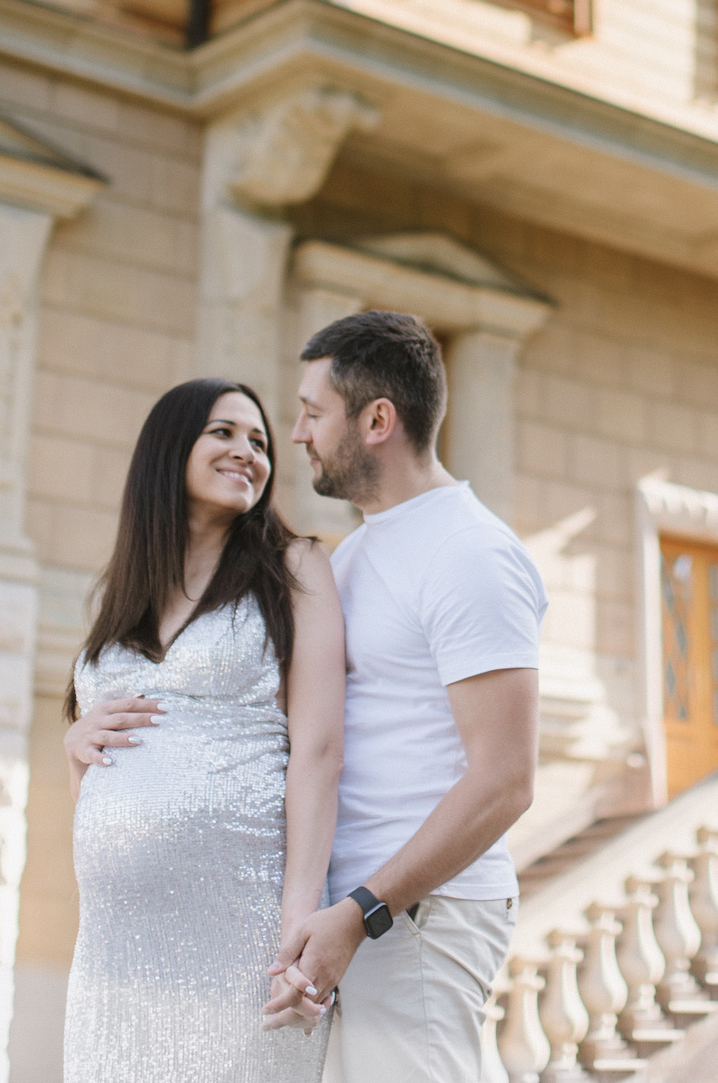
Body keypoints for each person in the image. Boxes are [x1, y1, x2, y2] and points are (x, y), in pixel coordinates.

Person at [265, 310, 547, 1083]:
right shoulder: (354, 555)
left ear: (377, 419)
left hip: (418, 921)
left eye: (314, 412)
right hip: (353, 923)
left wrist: (362, 910)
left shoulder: (470, 553)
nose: (297, 433)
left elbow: (505, 779)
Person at [62, 379, 345, 1081]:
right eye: (224, 432)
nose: (247, 451)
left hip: (240, 935)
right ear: (170, 447)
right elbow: (106, 775)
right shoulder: (123, 594)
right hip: (114, 949)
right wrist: (76, 749)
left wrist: (296, 933)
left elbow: (318, 752)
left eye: (259, 442)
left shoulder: (296, 566)